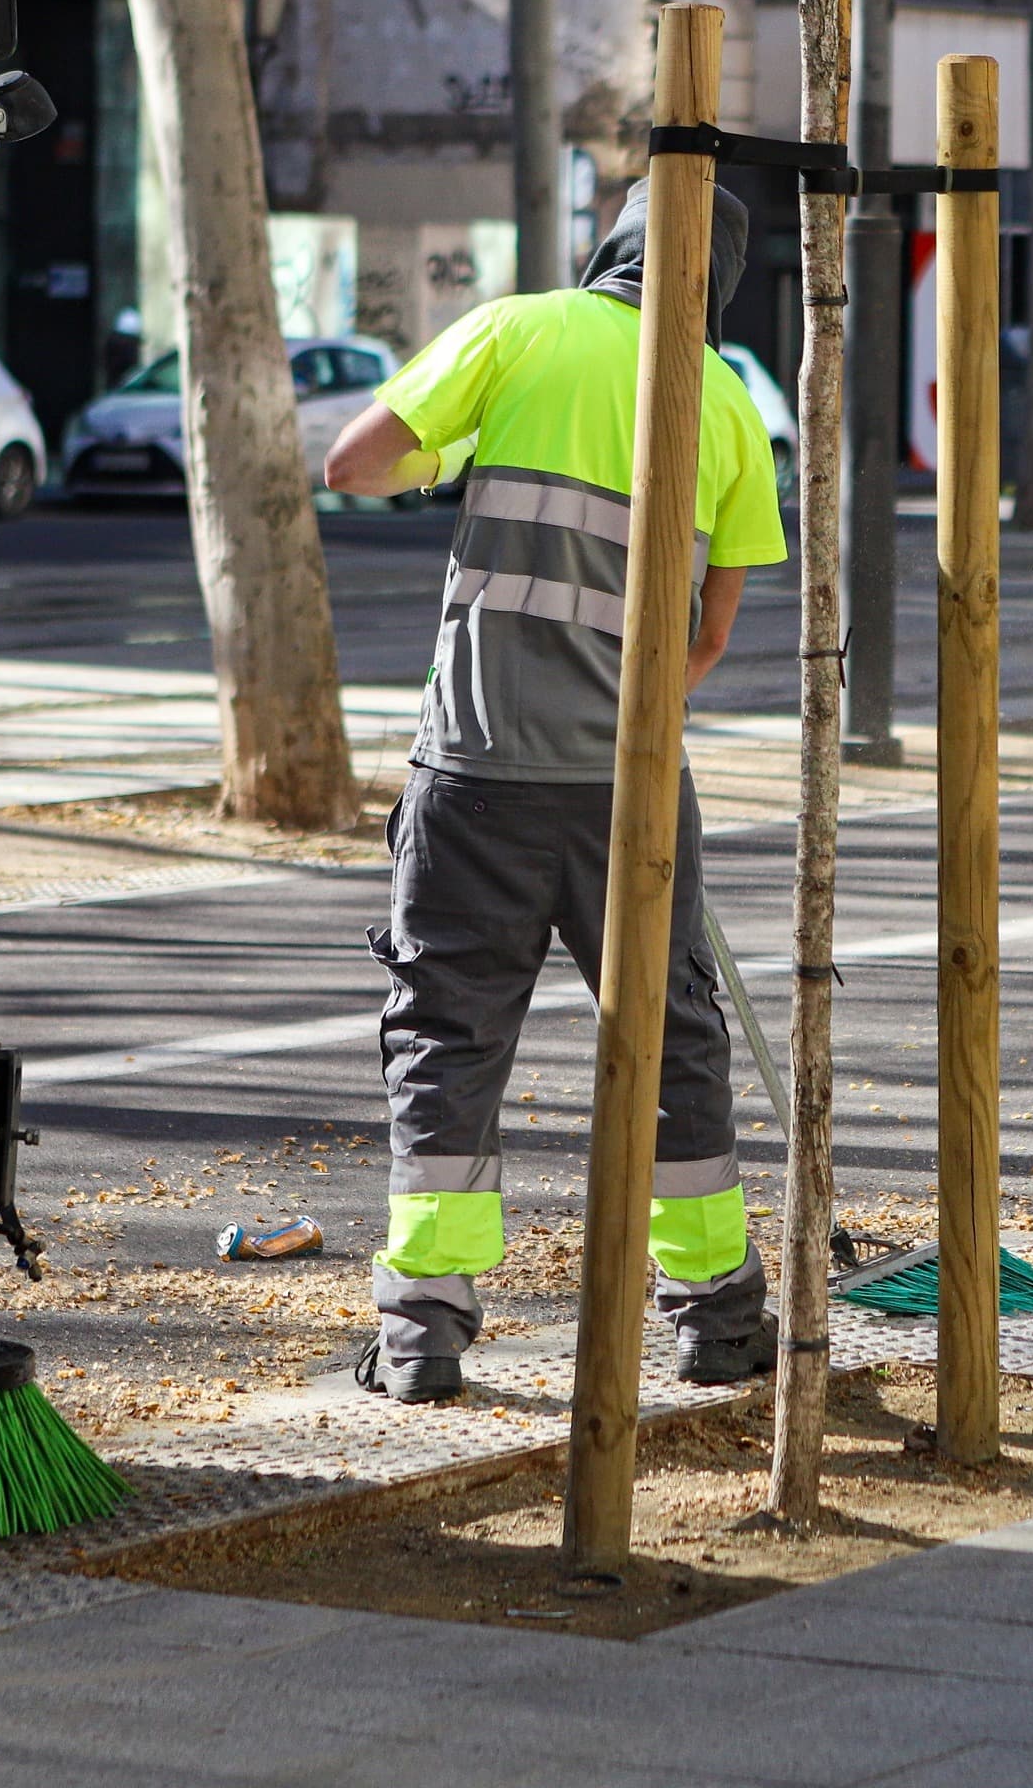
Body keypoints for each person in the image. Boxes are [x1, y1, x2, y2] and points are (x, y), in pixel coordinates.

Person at [319, 181, 788, 1404]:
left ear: (614, 243)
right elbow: (708, 637)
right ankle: (716, 1314)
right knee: (672, 1037)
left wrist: (450, 452)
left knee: (446, 1036)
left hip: (473, 771)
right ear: (717, 284)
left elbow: (353, 463)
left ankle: (422, 1333)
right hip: (626, 783)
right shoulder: (729, 405)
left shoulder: (517, 329)